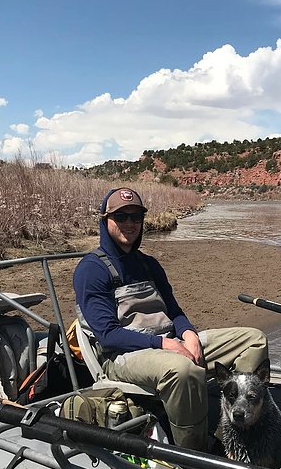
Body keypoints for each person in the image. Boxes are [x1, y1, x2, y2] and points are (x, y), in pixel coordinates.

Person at [73, 188, 268, 452]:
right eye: (121, 216)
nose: (129, 223)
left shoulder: (149, 264)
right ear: (105, 219)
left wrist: (188, 334)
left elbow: (174, 311)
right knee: (183, 371)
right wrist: (165, 345)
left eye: (136, 217)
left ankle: (230, 431)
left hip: (168, 341)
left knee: (253, 340)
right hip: (122, 356)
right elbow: (108, 335)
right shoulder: (91, 269)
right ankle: (195, 456)